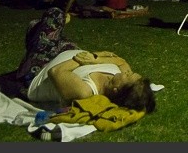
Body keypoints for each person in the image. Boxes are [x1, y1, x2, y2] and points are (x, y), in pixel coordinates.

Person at [12, 7, 156, 112]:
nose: (128, 72)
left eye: (128, 76)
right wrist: (96, 59)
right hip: (68, 52)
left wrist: (87, 59)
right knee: (41, 31)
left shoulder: (85, 91)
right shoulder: (120, 76)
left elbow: (56, 71)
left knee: (55, 15)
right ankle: (39, 33)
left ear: (116, 89)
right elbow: (120, 61)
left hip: (39, 70)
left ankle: (42, 33)